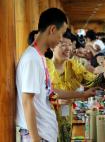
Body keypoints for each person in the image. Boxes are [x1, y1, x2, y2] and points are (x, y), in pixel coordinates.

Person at [16, 8, 95, 142]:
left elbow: (50, 91)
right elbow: (27, 101)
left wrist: (82, 94)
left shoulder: (39, 57)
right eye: (61, 34)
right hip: (39, 136)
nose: (61, 39)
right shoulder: (32, 59)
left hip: (45, 134)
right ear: (52, 29)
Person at [46, 30, 96, 142]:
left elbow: (92, 80)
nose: (68, 48)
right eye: (63, 44)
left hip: (68, 117)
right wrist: (57, 101)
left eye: (69, 44)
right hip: (48, 120)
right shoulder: (45, 67)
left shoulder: (74, 66)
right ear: (52, 46)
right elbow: (45, 94)